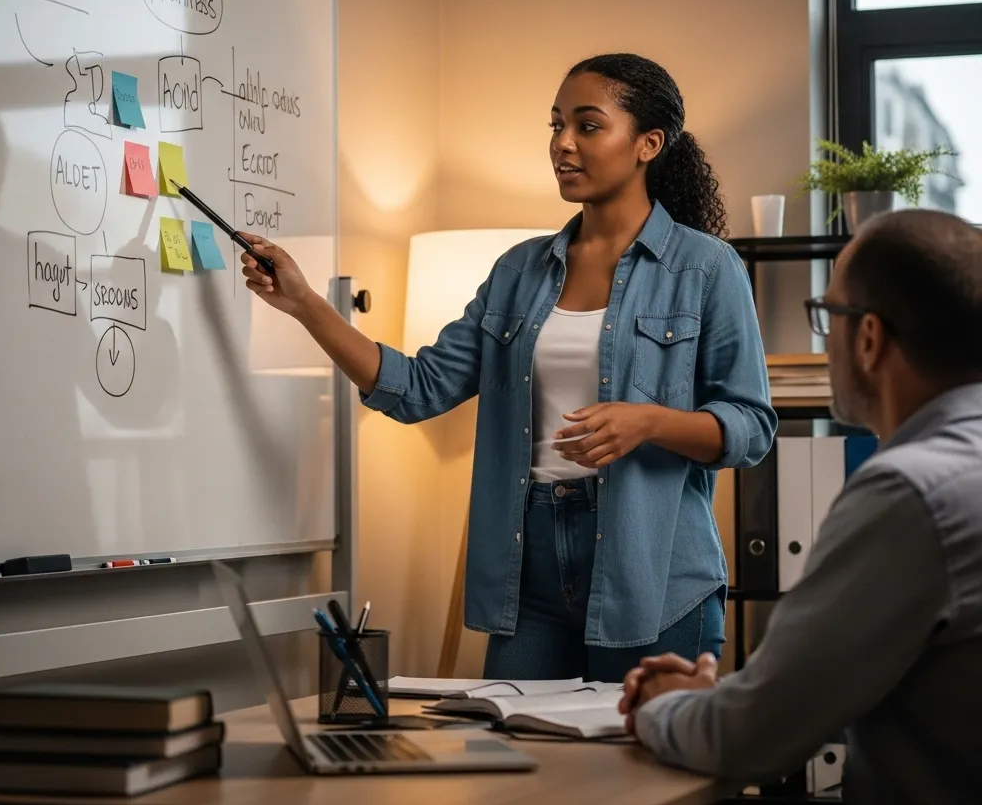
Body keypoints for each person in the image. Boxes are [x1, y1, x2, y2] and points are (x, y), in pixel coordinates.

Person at [239, 52, 774, 684]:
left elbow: (750, 428)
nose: (562, 145)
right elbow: (418, 387)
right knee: (526, 761)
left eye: (587, 125)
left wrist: (649, 422)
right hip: (529, 565)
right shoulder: (518, 272)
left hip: (653, 570)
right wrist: (304, 304)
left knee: (646, 765)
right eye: (555, 126)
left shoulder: (708, 268)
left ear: (648, 144)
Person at [621, 209, 982, 805]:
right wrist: (739, 695)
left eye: (828, 316)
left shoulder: (910, 495)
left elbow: (750, 741)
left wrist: (664, 706)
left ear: (868, 339)